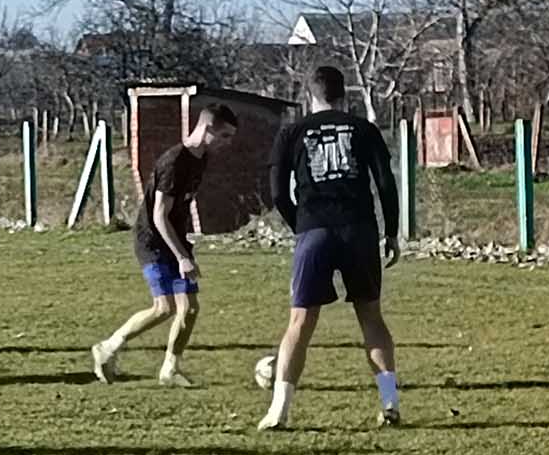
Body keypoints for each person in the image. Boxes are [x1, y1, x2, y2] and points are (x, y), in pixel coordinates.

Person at [259, 65, 402, 431]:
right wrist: (392, 231)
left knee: (300, 322)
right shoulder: (363, 129)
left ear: (310, 95)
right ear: (344, 94)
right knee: (371, 317)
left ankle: (279, 410)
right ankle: (389, 404)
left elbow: (277, 191)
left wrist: (300, 225)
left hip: (314, 229)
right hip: (359, 229)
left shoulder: (291, 132)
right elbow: (385, 183)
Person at [90, 103, 238, 387]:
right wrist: (182, 257)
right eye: (224, 136)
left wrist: (183, 248)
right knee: (164, 307)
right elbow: (159, 215)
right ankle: (107, 348)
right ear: (207, 128)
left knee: (190, 309)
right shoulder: (174, 161)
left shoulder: (201, 158)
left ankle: (170, 369)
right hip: (153, 241)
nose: (227, 143)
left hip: (176, 240)